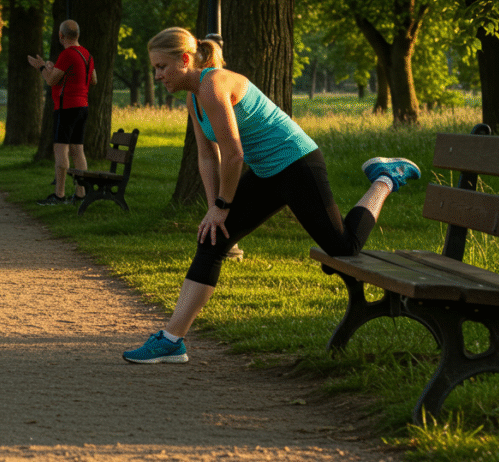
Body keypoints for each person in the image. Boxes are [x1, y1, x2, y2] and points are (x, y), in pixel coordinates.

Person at [122, 27, 420, 364]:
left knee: (343, 248)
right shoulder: (194, 97)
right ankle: (172, 339)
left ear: (185, 60)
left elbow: (233, 154)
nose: (158, 75)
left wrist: (224, 205)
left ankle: (385, 178)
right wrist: (214, 211)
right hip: (267, 171)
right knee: (211, 240)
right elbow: (208, 157)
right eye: (154, 69)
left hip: (297, 163)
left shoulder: (212, 85)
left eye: (161, 67)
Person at [27, 19, 96, 206]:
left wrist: (41, 67)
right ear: (78, 35)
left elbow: (51, 81)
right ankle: (81, 194)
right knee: (78, 150)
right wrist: (53, 69)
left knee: (61, 150)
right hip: (83, 106)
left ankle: (59, 195)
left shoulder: (67, 54)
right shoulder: (87, 54)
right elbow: (93, 79)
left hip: (66, 108)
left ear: (61, 36)